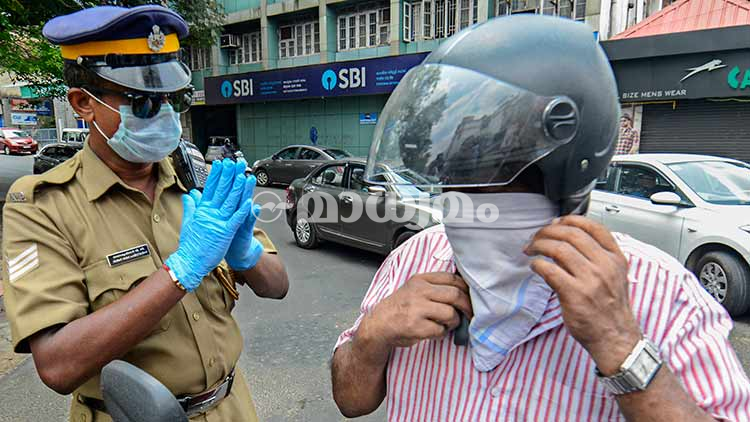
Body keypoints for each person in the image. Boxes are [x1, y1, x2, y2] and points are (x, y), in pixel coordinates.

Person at [330, 15, 750, 421]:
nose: (465, 206)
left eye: (495, 177)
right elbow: (351, 401)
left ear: (566, 177)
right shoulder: (412, 259)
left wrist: (621, 346)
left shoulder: (661, 294)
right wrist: (372, 337)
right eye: (452, 180)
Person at [1, 5, 288, 422]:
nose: (167, 114)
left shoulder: (199, 183)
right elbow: (58, 365)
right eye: (143, 101)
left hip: (231, 407)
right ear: (83, 103)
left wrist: (246, 253)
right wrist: (181, 271)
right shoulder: (45, 206)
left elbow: (277, 286)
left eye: (172, 99)